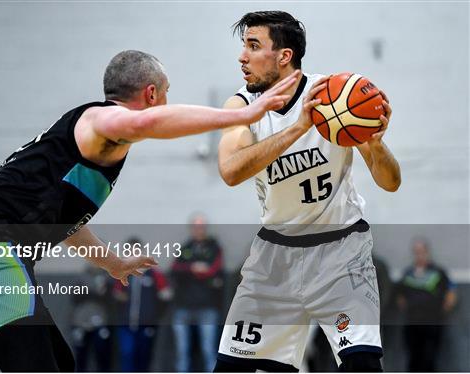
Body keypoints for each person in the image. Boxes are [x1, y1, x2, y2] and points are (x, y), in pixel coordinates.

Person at [0, 50, 297, 372]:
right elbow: (145, 122)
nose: (169, 101)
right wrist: (245, 114)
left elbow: (67, 222)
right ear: (152, 94)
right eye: (167, 92)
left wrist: (110, 263)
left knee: (57, 362)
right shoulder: (99, 119)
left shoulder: (89, 151)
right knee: (34, 364)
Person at [215, 11, 401, 372]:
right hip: (274, 256)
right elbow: (231, 171)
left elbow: (391, 182)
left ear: (284, 56)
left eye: (253, 46)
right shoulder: (242, 107)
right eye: (244, 46)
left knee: (361, 363)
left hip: (341, 251)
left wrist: (376, 145)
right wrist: (299, 126)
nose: (242, 57)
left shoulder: (334, 96)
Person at [171, 213, 224, 372]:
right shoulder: (185, 247)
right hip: (183, 306)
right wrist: (192, 268)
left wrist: (194, 271)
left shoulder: (214, 248)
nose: (198, 229)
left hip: (207, 307)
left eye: (201, 226)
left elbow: (213, 270)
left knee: (208, 351)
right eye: (195, 226)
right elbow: (175, 270)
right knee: (182, 352)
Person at [396, 238, 457, 372]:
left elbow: (451, 292)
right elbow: (400, 294)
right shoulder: (408, 273)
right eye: (416, 252)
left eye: (422, 252)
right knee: (413, 358)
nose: (419, 255)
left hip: (432, 323)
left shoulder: (438, 272)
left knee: (430, 358)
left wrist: (444, 309)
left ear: (427, 252)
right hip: (412, 323)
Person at [113, 237, 172, 372]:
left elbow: (166, 297)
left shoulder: (154, 274)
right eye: (129, 252)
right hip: (126, 323)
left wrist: (153, 316)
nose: (132, 256)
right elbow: (117, 295)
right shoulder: (123, 274)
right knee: (127, 354)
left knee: (144, 357)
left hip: (147, 323)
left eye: (135, 252)